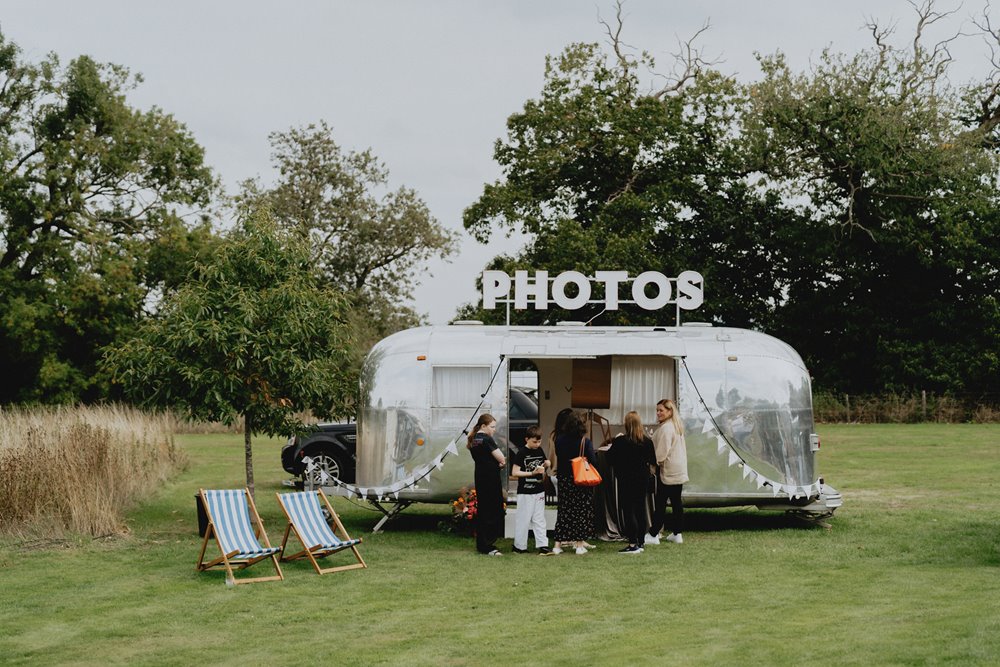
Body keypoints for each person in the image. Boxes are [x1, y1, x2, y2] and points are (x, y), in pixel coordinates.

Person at [606, 411, 656, 554]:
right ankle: (641, 542)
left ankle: (632, 543)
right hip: (642, 479)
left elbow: (610, 459)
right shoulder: (647, 441)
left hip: (626, 479)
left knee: (629, 511)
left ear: (626, 424)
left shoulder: (620, 441)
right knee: (641, 510)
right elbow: (652, 461)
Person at [552, 410, 597, 555]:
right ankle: (579, 545)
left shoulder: (558, 440)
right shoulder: (585, 442)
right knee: (581, 511)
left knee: (564, 511)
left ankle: (557, 545)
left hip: (564, 478)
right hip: (580, 479)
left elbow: (560, 456)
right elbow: (593, 461)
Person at [647, 398, 688, 545]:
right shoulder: (677, 426)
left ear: (669, 411)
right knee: (676, 503)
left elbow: (662, 453)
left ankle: (653, 534)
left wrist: (652, 465)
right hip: (679, 470)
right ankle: (677, 533)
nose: (658, 413)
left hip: (668, 471)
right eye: (657, 410)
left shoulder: (666, 428)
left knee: (661, 504)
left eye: (661, 410)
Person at [467, 413, 505, 556]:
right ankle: (488, 544)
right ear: (483, 426)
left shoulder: (474, 439)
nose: (494, 429)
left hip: (481, 475)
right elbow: (501, 457)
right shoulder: (486, 439)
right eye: (492, 427)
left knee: (484, 509)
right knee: (493, 509)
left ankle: (482, 543)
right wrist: (501, 462)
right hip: (491, 478)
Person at [510, 424, 551, 554]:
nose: (537, 444)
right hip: (525, 491)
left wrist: (547, 464)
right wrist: (531, 473)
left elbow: (542, 467)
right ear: (526, 439)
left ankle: (543, 545)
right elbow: (515, 472)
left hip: (539, 490)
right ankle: (519, 546)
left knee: (539, 518)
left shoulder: (539, 451)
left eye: (539, 441)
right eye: (534, 441)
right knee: (524, 519)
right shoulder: (521, 453)